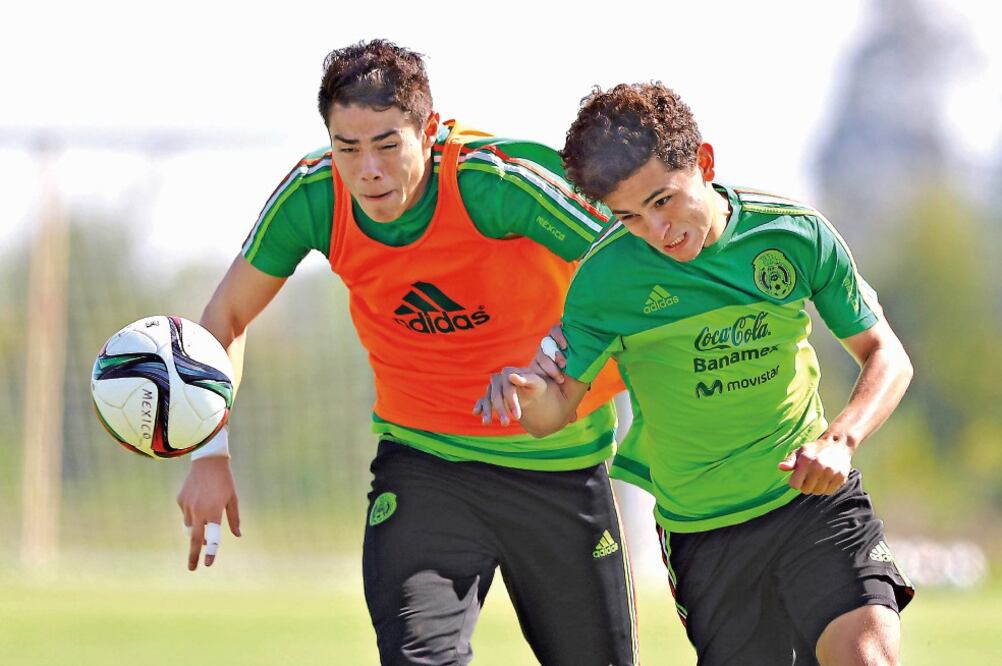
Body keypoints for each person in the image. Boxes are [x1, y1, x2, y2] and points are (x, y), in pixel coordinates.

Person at [176, 40, 638, 665]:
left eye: (387, 145)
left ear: (428, 129)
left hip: (561, 466)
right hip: (426, 467)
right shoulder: (315, 196)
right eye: (347, 147)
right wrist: (209, 451)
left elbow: (634, 272)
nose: (367, 168)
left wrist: (551, 358)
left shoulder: (496, 183)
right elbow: (225, 316)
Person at [477, 82, 915, 665]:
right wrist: (529, 395)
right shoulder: (604, 280)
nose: (657, 231)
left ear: (703, 162)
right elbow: (552, 413)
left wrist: (841, 438)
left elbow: (886, 354)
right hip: (703, 534)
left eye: (662, 201)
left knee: (866, 656)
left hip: (812, 503)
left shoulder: (793, 235)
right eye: (629, 216)